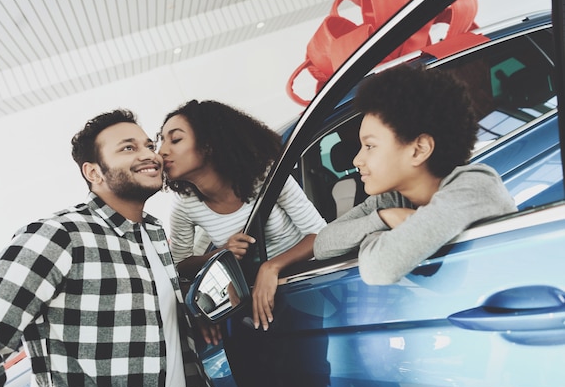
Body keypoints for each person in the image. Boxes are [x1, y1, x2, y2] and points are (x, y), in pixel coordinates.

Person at [0, 109, 221, 387]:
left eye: (148, 145)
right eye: (128, 147)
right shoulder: (59, 236)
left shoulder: (152, 232)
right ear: (94, 172)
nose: (150, 155)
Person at [314, 64, 518, 285]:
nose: (357, 160)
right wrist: (383, 218)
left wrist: (373, 236)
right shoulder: (392, 200)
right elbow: (323, 244)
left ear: (419, 149)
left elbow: (378, 268)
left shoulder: (474, 187)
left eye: (370, 146)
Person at [158, 100, 326, 331]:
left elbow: (319, 234)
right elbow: (180, 265)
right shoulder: (185, 206)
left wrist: (271, 267)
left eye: (175, 140)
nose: (161, 151)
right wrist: (222, 253)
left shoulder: (266, 175)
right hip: (250, 306)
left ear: (208, 144)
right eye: (161, 140)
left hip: (306, 291)